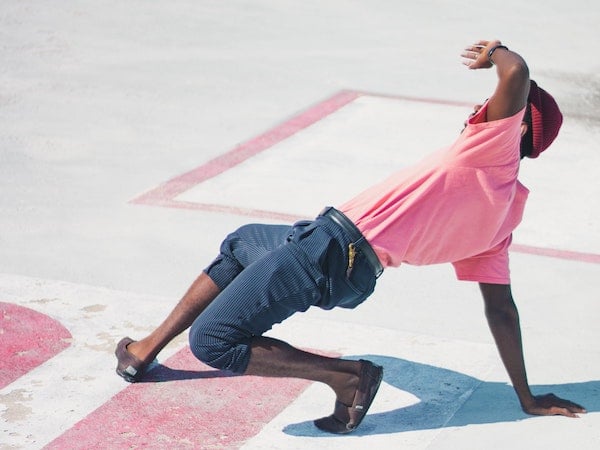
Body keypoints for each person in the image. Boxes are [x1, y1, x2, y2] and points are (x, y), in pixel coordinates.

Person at [115, 39, 586, 434]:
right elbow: (501, 308)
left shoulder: (487, 151)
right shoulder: (504, 213)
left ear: (517, 125)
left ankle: (346, 378)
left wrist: (497, 51)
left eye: (497, 109)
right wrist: (524, 396)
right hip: (345, 265)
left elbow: (516, 72)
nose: (477, 111)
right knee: (243, 242)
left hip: (325, 253)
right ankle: (145, 350)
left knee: (213, 342)